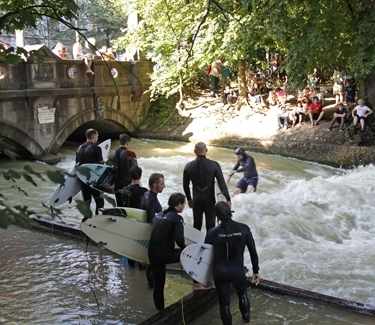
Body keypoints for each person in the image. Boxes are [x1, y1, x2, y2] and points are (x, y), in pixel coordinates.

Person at [205, 201, 260, 325]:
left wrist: (204, 279)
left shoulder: (212, 233)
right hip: (238, 270)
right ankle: (246, 320)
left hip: (220, 272)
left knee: (224, 304)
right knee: (242, 295)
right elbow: (253, 252)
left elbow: (205, 257)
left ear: (217, 216)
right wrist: (256, 271)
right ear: (230, 212)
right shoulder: (244, 228)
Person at [148, 193, 186, 310]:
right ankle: (197, 282)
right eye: (183, 203)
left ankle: (160, 310)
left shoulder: (160, 215)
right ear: (178, 205)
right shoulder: (177, 219)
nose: (184, 206)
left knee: (158, 285)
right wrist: (187, 249)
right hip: (164, 255)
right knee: (189, 254)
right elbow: (180, 240)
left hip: (152, 253)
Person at [183, 142, 231, 231]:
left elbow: (185, 186)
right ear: (206, 151)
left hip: (196, 200)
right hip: (210, 200)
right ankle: (209, 244)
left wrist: (189, 199)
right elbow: (221, 183)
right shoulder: (214, 165)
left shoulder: (188, 166)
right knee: (211, 226)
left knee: (196, 225)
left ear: (194, 151)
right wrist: (228, 199)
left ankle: (196, 244)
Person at [75, 128, 104, 215]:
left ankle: (86, 221)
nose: (97, 138)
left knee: (86, 202)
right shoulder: (97, 148)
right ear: (94, 136)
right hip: (94, 180)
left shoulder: (79, 148)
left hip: (83, 180)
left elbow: (77, 163)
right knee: (100, 203)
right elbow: (101, 165)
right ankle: (97, 221)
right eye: (97, 136)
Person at [113, 133, 137, 207]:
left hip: (117, 183)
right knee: (127, 205)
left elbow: (112, 169)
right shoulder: (131, 154)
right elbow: (135, 170)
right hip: (127, 184)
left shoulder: (114, 153)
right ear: (127, 142)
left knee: (119, 204)